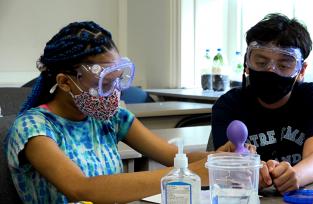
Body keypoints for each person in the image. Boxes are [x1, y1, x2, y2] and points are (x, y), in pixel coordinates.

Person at [4, 21, 237, 203]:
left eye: (117, 81)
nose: (114, 93)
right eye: (104, 84)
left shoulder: (111, 118)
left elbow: (172, 155)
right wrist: (185, 173)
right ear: (65, 82)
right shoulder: (33, 128)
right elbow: (80, 188)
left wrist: (223, 160)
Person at [211, 13, 313, 194]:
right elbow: (227, 160)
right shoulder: (228, 105)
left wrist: (296, 175)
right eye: (260, 62)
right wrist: (247, 171)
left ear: (301, 70)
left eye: (284, 65)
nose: (271, 70)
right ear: (246, 63)